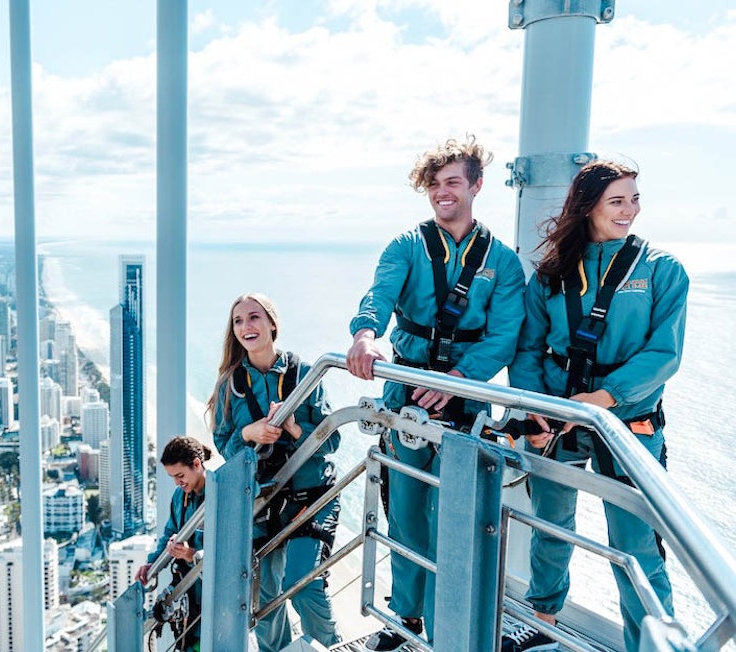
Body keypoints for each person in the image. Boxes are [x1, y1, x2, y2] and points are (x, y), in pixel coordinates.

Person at [346, 136, 526, 651]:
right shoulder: (405, 246)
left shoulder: (503, 263)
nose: (442, 193)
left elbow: (504, 336)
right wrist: (364, 334)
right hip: (406, 388)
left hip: (466, 399)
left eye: (453, 182)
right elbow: (378, 297)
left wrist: (461, 381)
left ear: (476, 185)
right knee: (405, 507)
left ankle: (447, 620)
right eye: (434, 185)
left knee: (458, 513)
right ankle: (405, 619)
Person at [503, 160, 686, 652]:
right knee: (550, 527)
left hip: (629, 423)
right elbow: (528, 348)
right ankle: (543, 625)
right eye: (617, 200)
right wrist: (535, 411)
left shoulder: (662, 270)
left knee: (636, 547)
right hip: (560, 420)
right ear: (588, 207)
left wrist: (604, 398)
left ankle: (650, 646)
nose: (630, 210)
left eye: (634, 199)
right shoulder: (551, 274)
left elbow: (663, 353)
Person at [208, 293, 342, 651]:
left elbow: (333, 441)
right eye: (238, 321)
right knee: (265, 601)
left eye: (253, 317)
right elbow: (225, 447)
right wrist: (247, 434)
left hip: (310, 496)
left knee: (303, 583)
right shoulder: (230, 386)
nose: (245, 327)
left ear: (272, 324)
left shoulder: (305, 375)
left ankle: (331, 646)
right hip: (262, 504)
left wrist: (295, 429)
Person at [135, 436, 212, 652]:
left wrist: (190, 553)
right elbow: (170, 531)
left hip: (213, 587)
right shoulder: (181, 496)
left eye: (180, 475)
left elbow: (227, 545)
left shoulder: (219, 494)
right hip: (188, 589)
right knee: (187, 642)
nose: (178, 482)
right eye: (173, 477)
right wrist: (153, 564)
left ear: (197, 464)